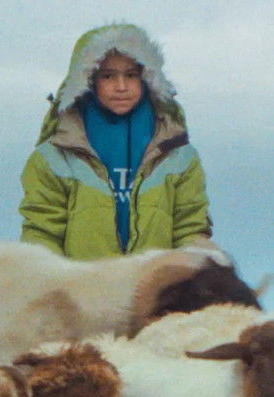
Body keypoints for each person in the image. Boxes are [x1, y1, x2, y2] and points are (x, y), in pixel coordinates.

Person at [19, 23, 217, 258]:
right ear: (89, 80)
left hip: (155, 281)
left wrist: (198, 271)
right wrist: (50, 279)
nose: (121, 87)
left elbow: (190, 229)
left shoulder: (178, 155)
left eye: (131, 75)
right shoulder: (55, 156)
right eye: (108, 76)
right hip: (83, 281)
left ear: (146, 78)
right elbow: (41, 234)